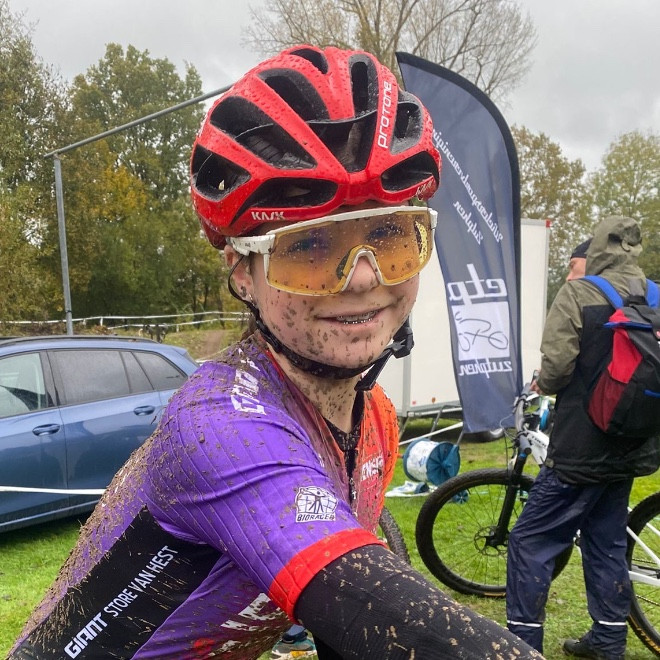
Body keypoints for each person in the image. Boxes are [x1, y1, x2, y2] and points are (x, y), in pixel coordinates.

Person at [11, 45, 541, 660]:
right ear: (243, 272)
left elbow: (354, 597)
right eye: (309, 247)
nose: (363, 277)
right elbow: (412, 631)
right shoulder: (217, 429)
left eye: (391, 235)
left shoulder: (373, 419)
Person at [506, 216, 660, 659]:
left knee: (530, 541)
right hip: (634, 442)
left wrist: (543, 382)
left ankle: (522, 648)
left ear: (596, 250)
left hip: (581, 445)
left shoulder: (578, 293)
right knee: (606, 540)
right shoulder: (655, 294)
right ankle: (608, 642)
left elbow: (556, 371)